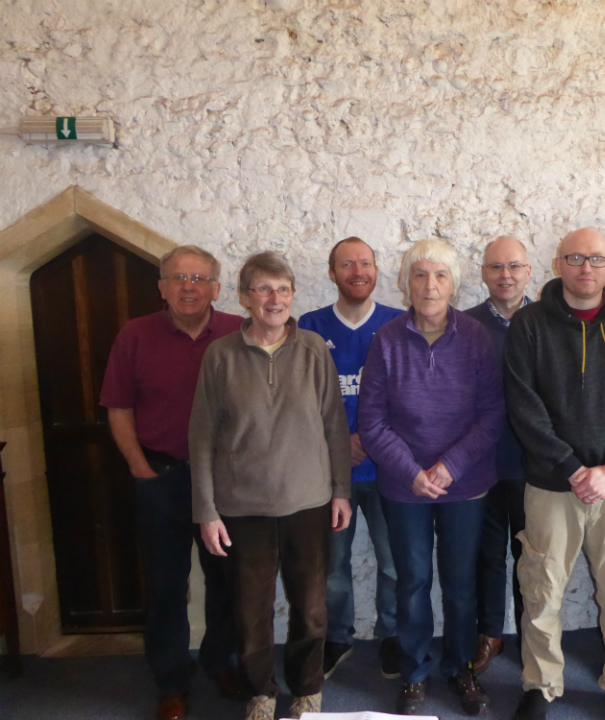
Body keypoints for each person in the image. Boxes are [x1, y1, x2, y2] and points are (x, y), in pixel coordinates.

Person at [189, 251, 352, 720]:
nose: (274, 299)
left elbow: (334, 426)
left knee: (311, 608)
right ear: (244, 298)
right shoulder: (219, 356)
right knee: (251, 612)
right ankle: (261, 690)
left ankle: (307, 687)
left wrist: (341, 490)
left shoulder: (315, 349)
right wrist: (206, 510)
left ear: (293, 295)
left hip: (309, 502)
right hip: (243, 507)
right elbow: (201, 437)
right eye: (263, 289)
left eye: (282, 289)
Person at [504, 228, 605, 720]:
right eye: (575, 258)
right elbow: (524, 408)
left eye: (596, 259)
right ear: (557, 263)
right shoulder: (528, 325)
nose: (585, 268)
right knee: (541, 588)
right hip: (553, 484)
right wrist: (573, 468)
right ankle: (541, 684)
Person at [358, 239, 503, 717]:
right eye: (419, 275)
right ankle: (414, 672)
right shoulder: (386, 340)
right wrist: (413, 473)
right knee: (412, 581)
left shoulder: (477, 337)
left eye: (439, 275)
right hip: (405, 488)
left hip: (465, 485)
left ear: (454, 283)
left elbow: (492, 414)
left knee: (461, 582)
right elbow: (372, 422)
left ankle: (460, 668)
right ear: (405, 284)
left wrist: (449, 467)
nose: (429, 284)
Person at [100, 245, 242, 720]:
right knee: (165, 586)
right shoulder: (135, 335)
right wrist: (140, 467)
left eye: (200, 278)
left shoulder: (237, 333)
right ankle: (171, 680)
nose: (189, 286)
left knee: (227, 581)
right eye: (178, 277)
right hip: (160, 477)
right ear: (161, 286)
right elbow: (118, 407)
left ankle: (222, 662)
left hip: (226, 483)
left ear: (217, 289)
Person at [298, 237, 404, 679]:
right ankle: (337, 637)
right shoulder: (309, 325)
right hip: (329, 472)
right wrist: (344, 440)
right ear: (331, 272)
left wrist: (371, 440)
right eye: (347, 264)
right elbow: (300, 399)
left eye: (365, 263)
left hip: (388, 470)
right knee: (332, 566)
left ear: (377, 270)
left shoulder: (399, 323)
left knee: (394, 561)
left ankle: (393, 635)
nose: (357, 271)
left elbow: (412, 396)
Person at [464, 236, 533, 674]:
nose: (504, 275)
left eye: (513, 267)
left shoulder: (549, 320)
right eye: (495, 267)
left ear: (529, 271)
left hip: (535, 464)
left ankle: (532, 638)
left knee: (532, 557)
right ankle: (489, 633)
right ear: (483, 272)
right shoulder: (464, 325)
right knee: (486, 555)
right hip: (482, 465)